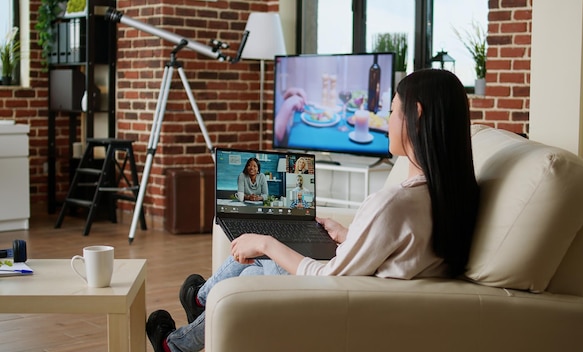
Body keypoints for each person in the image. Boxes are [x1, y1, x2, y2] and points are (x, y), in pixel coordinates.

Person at [145, 69, 480, 352]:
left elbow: (328, 278)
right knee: (258, 265)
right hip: (376, 296)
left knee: (261, 262)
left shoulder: (394, 203)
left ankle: (183, 331)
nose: (389, 121)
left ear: (415, 115)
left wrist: (265, 244)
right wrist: (350, 235)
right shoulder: (454, 196)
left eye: (392, 112)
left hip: (341, 301)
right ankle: (198, 306)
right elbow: (403, 253)